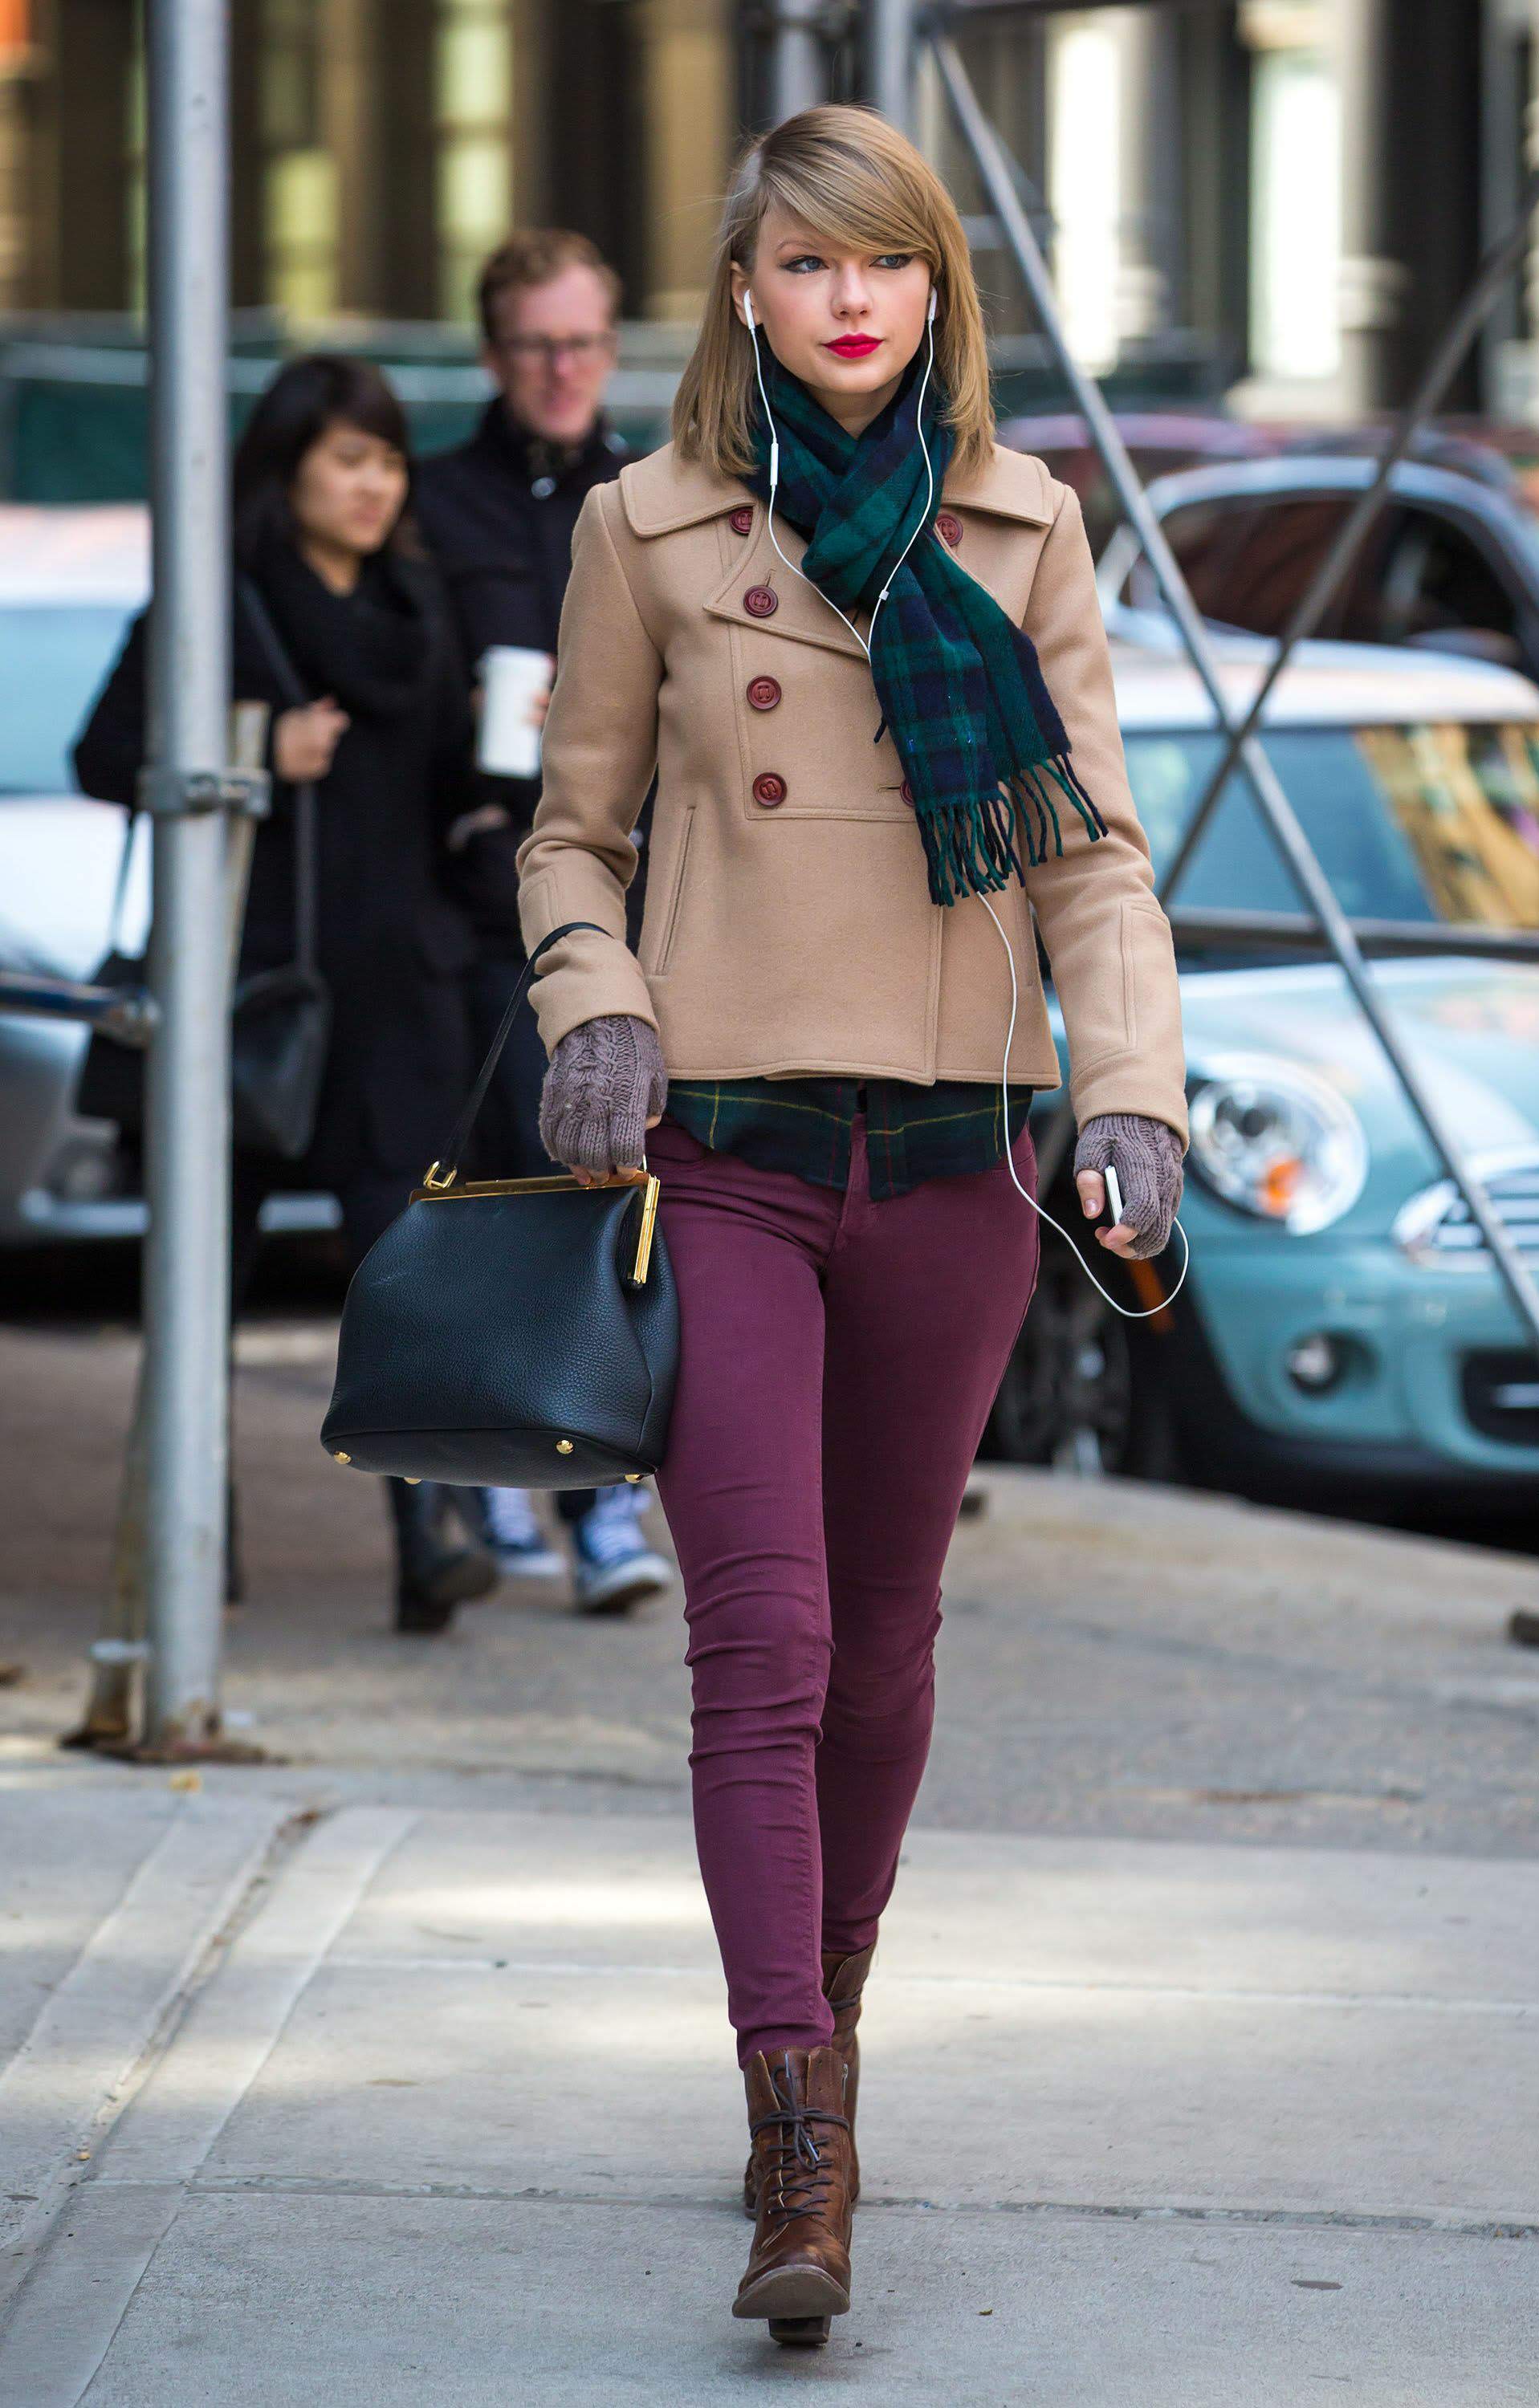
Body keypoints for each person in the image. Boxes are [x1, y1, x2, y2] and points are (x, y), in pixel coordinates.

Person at [514, 106, 1189, 2346]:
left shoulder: (1024, 525)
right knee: (766, 1641)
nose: (850, 298)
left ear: (933, 288)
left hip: (957, 1157)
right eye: (807, 262)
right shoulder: (645, 526)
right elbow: (570, 835)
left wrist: (1132, 1092)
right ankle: (796, 2126)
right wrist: (599, 1006)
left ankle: (832, 2010)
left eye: (885, 260)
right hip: (723, 1148)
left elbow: (1090, 857)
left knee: (888, 1647)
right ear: (746, 291)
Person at [75, 353, 499, 1637]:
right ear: (290, 469)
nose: (376, 486)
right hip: (250, 1001)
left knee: (407, 1285)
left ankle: (430, 1540)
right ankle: (188, 1539)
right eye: (349, 460)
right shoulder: (218, 605)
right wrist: (253, 749)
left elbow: (447, 791)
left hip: (394, 1010)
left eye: (390, 462)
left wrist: (503, 761)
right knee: (201, 1287)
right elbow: (102, 753)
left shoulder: (419, 611)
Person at [417, 228, 670, 1613]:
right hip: (473, 894)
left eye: (582, 343)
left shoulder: (652, 497)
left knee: (612, 1189)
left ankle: (604, 1499)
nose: (562, 369)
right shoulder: (432, 502)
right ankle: (502, 1473)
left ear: (610, 348)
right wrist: (453, 708)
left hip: (623, 897)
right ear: (492, 353)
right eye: (535, 345)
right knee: (493, 1194)